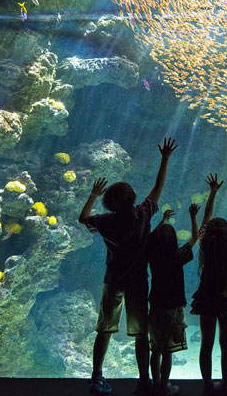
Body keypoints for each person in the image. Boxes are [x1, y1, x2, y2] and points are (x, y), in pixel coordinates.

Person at [78, 137, 178, 395]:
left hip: (113, 279)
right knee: (140, 332)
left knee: (105, 328)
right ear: (133, 199)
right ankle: (144, 380)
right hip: (137, 281)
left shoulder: (106, 221)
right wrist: (165, 158)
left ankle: (95, 377)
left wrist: (93, 195)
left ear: (110, 204)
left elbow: (83, 219)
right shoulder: (143, 215)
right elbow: (157, 188)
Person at [191, 172, 227, 396]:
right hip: (226, 293)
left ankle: (207, 384)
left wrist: (213, 192)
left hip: (206, 293)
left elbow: (205, 220)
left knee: (207, 343)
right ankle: (226, 383)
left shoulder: (204, 240)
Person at [146, 203, 200, 396]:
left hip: (156, 306)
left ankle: (155, 383)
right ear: (174, 241)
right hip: (174, 308)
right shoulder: (177, 256)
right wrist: (193, 216)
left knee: (155, 349)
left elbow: (151, 239)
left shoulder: (152, 255)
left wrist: (163, 221)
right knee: (168, 350)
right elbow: (195, 238)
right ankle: (164, 386)